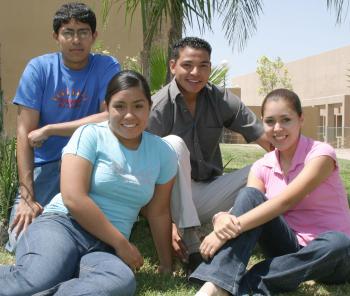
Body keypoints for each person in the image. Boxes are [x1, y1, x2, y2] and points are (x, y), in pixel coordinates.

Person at [0, 70, 177, 296]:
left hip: (105, 249)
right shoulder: (90, 134)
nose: (129, 115)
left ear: (150, 107)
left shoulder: (163, 153)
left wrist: (166, 264)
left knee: (119, 281)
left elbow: (159, 212)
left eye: (138, 106)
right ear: (107, 108)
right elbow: (74, 198)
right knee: (37, 278)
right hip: (64, 225)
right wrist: (122, 244)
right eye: (120, 106)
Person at [191, 88, 350, 296]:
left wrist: (227, 231)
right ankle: (217, 285)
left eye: (286, 120)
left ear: (300, 120)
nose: (278, 128)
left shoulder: (320, 155)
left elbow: (286, 201)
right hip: (288, 246)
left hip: (330, 255)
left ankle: (248, 281)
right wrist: (221, 218)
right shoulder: (262, 166)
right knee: (250, 195)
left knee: (340, 243)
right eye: (270, 121)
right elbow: (246, 205)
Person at [147, 37, 270, 269]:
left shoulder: (220, 99)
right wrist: (169, 223)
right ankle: (193, 247)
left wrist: (299, 164)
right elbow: (144, 174)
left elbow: (263, 137)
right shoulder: (158, 107)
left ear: (210, 68)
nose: (196, 72)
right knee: (173, 144)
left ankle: (223, 228)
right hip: (171, 198)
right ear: (173, 66)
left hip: (211, 194)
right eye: (187, 65)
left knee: (268, 166)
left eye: (203, 65)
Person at [7, 2, 121, 251]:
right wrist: (28, 198)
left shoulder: (107, 66)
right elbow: (24, 134)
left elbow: (111, 116)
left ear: (94, 36)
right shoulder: (39, 68)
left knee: (96, 236)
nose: (76, 40)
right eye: (68, 32)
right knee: (19, 241)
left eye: (83, 32)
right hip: (45, 165)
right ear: (56, 37)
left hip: (88, 164)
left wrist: (50, 129)